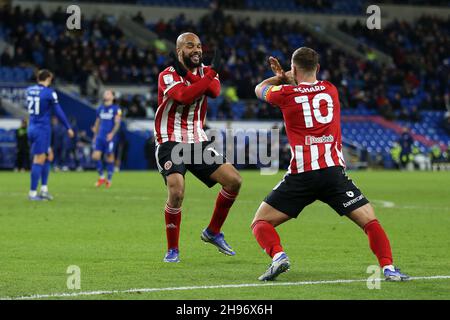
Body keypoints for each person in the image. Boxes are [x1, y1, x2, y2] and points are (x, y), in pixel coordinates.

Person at [252, 47, 408, 281]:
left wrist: (281, 77)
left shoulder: (285, 94)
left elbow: (259, 89)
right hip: (333, 173)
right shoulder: (331, 90)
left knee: (260, 222)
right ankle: (388, 269)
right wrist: (292, 77)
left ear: (293, 68)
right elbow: (308, 90)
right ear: (318, 68)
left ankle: (279, 256)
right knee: (370, 221)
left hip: (302, 175)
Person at [155, 32, 242, 263]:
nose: (197, 50)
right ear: (179, 51)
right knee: (176, 191)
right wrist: (208, 75)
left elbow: (213, 92)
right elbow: (183, 96)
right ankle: (172, 249)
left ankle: (213, 232)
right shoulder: (167, 75)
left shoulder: (205, 72)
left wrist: (204, 75)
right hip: (170, 139)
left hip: (197, 139)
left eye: (199, 46)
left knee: (234, 181)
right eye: (190, 46)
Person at [26, 69, 74, 200]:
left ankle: (44, 189)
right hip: (42, 129)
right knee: (39, 159)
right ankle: (32, 193)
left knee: (48, 156)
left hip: (32, 127)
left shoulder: (29, 90)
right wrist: (68, 127)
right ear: (48, 78)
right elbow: (59, 112)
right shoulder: (49, 93)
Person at [91, 90, 122, 188]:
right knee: (95, 156)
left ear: (113, 97)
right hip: (100, 136)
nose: (106, 94)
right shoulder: (100, 108)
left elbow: (117, 123)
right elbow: (97, 122)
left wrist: (112, 134)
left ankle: (109, 179)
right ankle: (101, 177)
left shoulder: (116, 109)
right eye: (105, 93)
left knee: (109, 157)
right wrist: (95, 135)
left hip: (110, 137)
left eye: (108, 93)